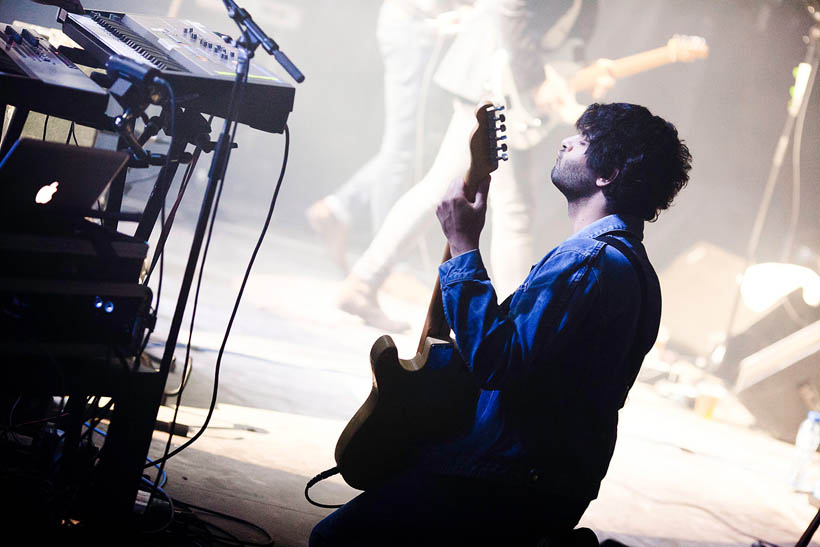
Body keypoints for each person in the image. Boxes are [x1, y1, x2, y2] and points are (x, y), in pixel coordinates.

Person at [309, 102, 692, 546]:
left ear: (608, 174)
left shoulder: (583, 262)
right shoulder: (638, 272)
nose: (565, 141)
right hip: (553, 483)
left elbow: (496, 360)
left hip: (504, 479)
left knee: (335, 540)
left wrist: (464, 243)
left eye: (583, 140)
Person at [336, 0, 609, 332]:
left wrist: (581, 69)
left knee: (442, 189)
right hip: (492, 79)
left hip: (499, 79)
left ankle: (363, 281)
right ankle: (517, 327)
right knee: (515, 210)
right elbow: (510, 10)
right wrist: (535, 81)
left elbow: (559, 39)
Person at [305, 0, 460, 279]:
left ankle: (339, 207)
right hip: (416, 25)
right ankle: (383, 263)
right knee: (403, 150)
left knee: (412, 149)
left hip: (423, 24)